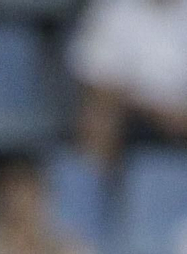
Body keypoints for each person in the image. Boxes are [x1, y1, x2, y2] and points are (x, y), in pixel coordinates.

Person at [68, 0, 187, 164]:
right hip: (133, 115)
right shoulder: (113, 9)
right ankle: (95, 184)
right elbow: (99, 84)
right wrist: (159, 112)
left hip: (181, 112)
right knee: (99, 115)